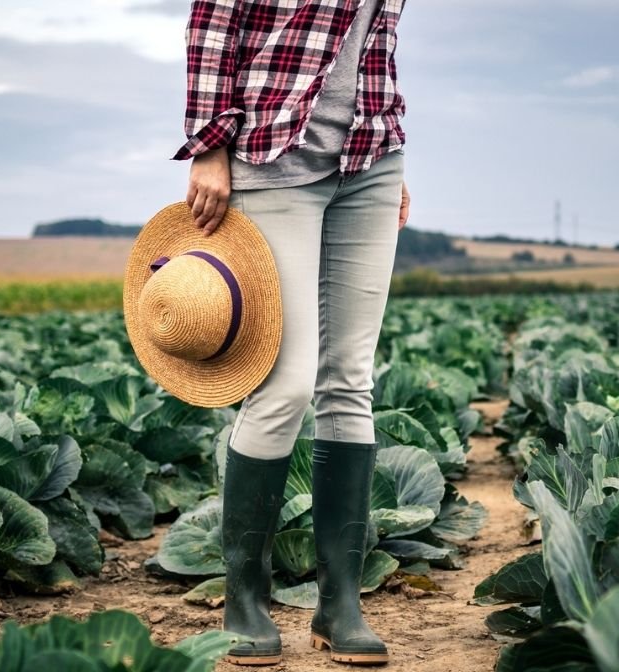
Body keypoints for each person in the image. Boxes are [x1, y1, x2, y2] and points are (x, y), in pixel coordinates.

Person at [170, 0, 410, 666]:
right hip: (273, 158)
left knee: (351, 382)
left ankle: (341, 606)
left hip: (370, 160)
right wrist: (210, 147)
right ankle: (245, 599)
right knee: (285, 383)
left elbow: (374, 42)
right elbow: (214, 26)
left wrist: (389, 159)